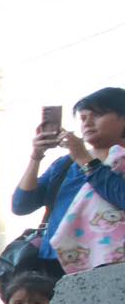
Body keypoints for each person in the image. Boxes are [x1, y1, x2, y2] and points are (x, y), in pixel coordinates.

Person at [15, 90, 125, 278]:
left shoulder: (85, 158)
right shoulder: (65, 164)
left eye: (97, 115)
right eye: (83, 118)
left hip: (112, 264)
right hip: (56, 262)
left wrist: (84, 159)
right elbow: (21, 205)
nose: (87, 123)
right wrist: (36, 155)